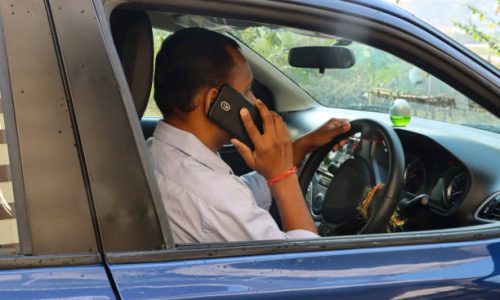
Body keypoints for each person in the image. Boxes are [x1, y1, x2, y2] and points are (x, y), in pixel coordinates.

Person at [149, 27, 351, 243]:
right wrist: (284, 177)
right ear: (217, 102)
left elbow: (239, 195)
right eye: (247, 90)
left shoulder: (156, 150)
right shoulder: (215, 200)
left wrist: (299, 148)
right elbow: (307, 265)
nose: (255, 101)